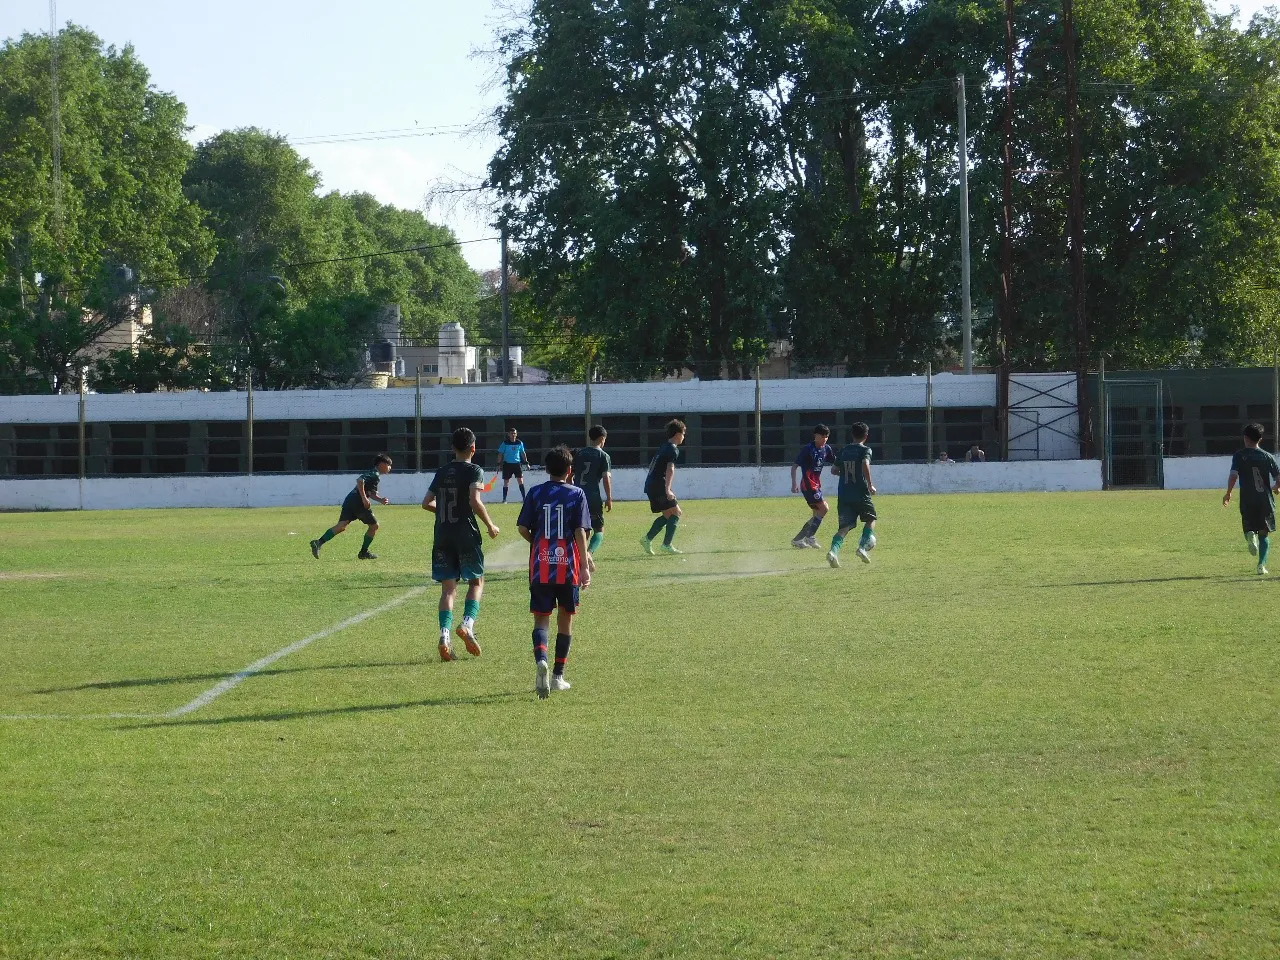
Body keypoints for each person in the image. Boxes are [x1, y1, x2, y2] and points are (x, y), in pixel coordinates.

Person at [518, 445, 593, 699]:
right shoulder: (577, 494)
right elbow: (580, 532)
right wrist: (584, 565)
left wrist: (538, 543)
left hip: (541, 565)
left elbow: (522, 527)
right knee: (566, 617)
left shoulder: (536, 493)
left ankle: (541, 658)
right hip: (567, 566)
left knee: (541, 618)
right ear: (570, 471)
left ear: (547, 470)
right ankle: (558, 676)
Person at [422, 427, 500, 661]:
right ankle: (467, 624)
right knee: (476, 581)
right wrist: (490, 525)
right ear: (473, 448)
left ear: (452, 448)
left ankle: (444, 636)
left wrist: (446, 510)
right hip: (465, 533)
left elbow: (426, 503)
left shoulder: (442, 471)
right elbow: (475, 501)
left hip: (442, 533)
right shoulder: (474, 470)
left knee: (448, 588)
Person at [1222, 423, 1280, 576]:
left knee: (1249, 526)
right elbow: (1278, 478)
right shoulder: (1268, 456)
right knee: (1264, 533)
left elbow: (1233, 475)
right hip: (1265, 500)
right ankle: (1261, 565)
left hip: (1247, 499)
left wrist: (1228, 493)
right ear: (1260, 439)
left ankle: (1249, 534)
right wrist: (1276, 487)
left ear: (1245, 438)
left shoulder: (1239, 456)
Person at [310, 454, 392, 560]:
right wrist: (364, 498)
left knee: (341, 526)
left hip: (350, 500)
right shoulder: (374, 474)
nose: (390, 468)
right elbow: (360, 480)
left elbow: (370, 493)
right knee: (374, 526)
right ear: (381, 464)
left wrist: (380, 500)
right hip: (358, 502)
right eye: (389, 465)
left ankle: (318, 542)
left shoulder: (375, 476)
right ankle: (363, 552)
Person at [827, 422, 877, 569]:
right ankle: (862, 548)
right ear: (866, 436)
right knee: (871, 519)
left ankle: (833, 552)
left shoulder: (843, 450)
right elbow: (865, 464)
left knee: (844, 527)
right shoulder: (865, 450)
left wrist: (847, 473)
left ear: (852, 435)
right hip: (860, 492)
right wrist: (870, 483)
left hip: (844, 494)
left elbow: (834, 470)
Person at [641, 419, 686, 555]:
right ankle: (666, 545)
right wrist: (668, 490)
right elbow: (670, 469)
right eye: (683, 433)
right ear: (678, 434)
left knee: (667, 515)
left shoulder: (663, 447)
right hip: (659, 485)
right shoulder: (672, 449)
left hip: (651, 484)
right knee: (676, 512)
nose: (684, 436)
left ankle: (647, 539)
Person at [790, 424, 836, 548]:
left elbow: (836, 462)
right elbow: (794, 466)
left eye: (827, 437)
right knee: (824, 508)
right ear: (816, 436)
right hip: (808, 484)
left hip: (816, 485)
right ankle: (810, 537)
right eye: (823, 436)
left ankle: (798, 539)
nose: (825, 439)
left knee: (817, 513)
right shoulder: (808, 449)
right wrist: (794, 483)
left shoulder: (826, 449)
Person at [574, 425, 613, 557]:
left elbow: (569, 476)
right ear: (602, 438)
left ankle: (577, 554)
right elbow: (606, 478)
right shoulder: (603, 455)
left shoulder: (579, 453)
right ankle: (588, 553)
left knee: (583, 528)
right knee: (599, 530)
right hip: (593, 497)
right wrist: (609, 498)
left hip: (577, 496)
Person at [496, 426, 531, 503]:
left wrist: (526, 463)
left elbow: (522, 453)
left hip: (517, 464)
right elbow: (500, 454)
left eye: (514, 433)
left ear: (516, 434)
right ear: (508, 434)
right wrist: (498, 464)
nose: (513, 435)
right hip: (507, 464)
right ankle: (504, 499)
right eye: (512, 433)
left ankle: (524, 498)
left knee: (520, 481)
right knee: (506, 482)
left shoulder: (519, 443)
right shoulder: (505, 443)